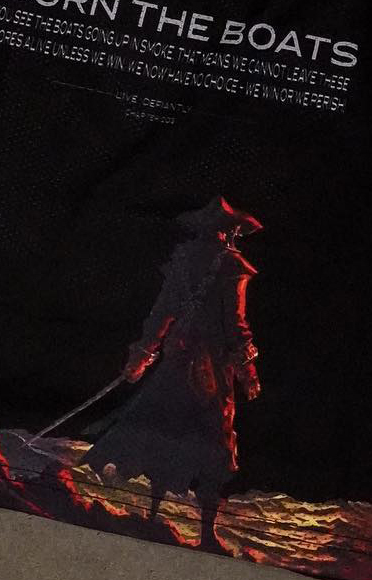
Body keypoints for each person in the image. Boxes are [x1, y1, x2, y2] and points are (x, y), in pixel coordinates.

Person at [78, 197, 262, 551]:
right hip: (211, 371)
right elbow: (236, 325)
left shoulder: (184, 260)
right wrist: (247, 369)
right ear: (228, 231)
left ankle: (151, 518)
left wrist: (143, 355)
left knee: (162, 432)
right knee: (213, 446)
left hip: (176, 362)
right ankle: (206, 535)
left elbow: (161, 313)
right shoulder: (232, 266)